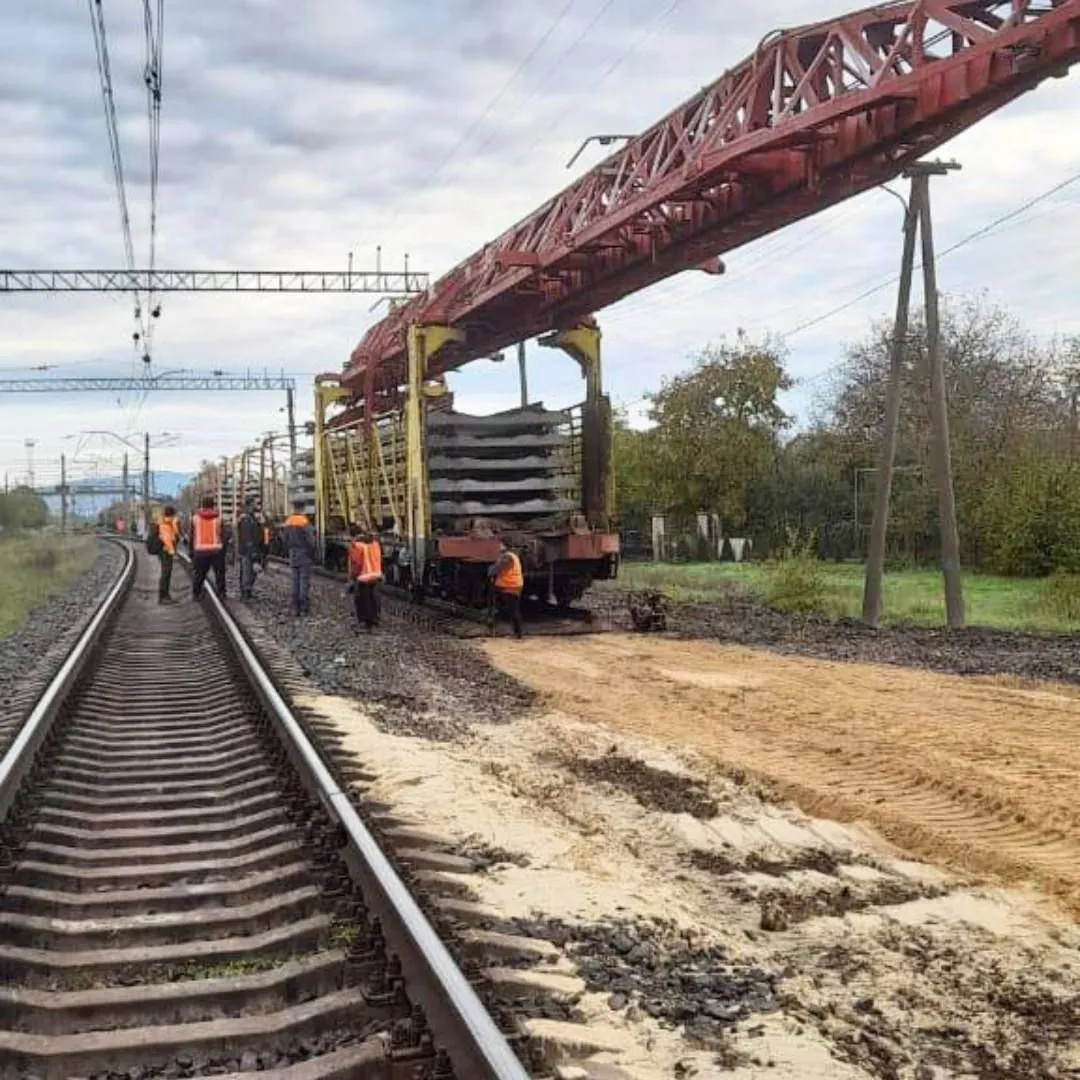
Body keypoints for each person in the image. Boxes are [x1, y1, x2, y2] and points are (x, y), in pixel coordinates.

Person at [282, 500, 317, 616]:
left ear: (293, 508)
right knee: (304, 581)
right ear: (303, 508)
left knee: (295, 581)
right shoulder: (304, 522)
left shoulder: (288, 522)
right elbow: (311, 542)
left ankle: (295, 607)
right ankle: (304, 608)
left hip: (293, 554)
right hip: (304, 554)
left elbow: (284, 540)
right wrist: (312, 553)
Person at [190, 495, 227, 599]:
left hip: (200, 551)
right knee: (220, 574)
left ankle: (196, 594)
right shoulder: (219, 518)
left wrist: (191, 551)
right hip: (216, 551)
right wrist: (223, 550)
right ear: (213, 505)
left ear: (202, 505)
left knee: (199, 574)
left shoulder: (195, 518)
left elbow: (192, 535)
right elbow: (224, 535)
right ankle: (222, 593)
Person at [487, 540, 524, 639]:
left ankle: (518, 633)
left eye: (501, 545)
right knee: (512, 609)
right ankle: (516, 632)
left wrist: (490, 570)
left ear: (505, 546)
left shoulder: (507, 557)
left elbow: (495, 569)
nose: (499, 547)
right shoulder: (512, 556)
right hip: (510, 585)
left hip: (510, 586)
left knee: (513, 610)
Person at [348, 526, 383, 631]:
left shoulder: (356, 545)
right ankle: (375, 619)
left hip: (363, 576)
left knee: (363, 599)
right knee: (374, 598)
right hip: (376, 574)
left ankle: (365, 621)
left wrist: (353, 576)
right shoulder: (375, 543)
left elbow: (356, 563)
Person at [156, 504, 181, 605]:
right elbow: (167, 539)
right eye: (174, 515)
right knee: (166, 573)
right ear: (171, 515)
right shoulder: (165, 524)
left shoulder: (168, 523)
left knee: (166, 573)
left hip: (165, 551)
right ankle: (163, 597)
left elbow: (175, 534)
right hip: (165, 551)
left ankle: (165, 595)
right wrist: (172, 552)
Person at [237, 498, 261, 601]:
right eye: (255, 504)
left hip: (250, 549)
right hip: (248, 551)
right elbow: (247, 537)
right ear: (250, 505)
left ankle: (248, 592)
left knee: (251, 573)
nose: (257, 506)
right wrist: (253, 553)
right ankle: (245, 593)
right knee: (247, 572)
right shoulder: (247, 519)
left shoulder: (251, 518)